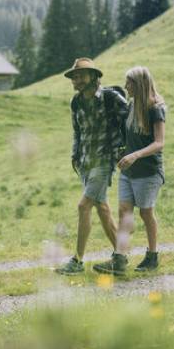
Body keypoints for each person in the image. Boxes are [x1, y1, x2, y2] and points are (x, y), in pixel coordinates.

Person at [55, 58, 128, 275]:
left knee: (83, 206)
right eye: (74, 77)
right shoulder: (75, 102)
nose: (75, 80)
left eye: (80, 76)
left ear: (93, 76)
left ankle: (77, 261)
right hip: (85, 162)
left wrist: (124, 149)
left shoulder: (109, 98)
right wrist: (75, 155)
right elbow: (77, 132)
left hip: (104, 161)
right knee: (103, 209)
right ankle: (121, 258)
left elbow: (130, 120)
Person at [95, 66, 165, 275]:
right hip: (128, 172)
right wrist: (122, 151)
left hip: (148, 172)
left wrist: (135, 155)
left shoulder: (155, 109)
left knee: (145, 213)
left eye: (129, 83)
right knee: (124, 212)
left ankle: (152, 256)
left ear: (139, 84)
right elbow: (130, 137)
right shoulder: (132, 105)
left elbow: (159, 143)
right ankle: (120, 259)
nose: (126, 87)